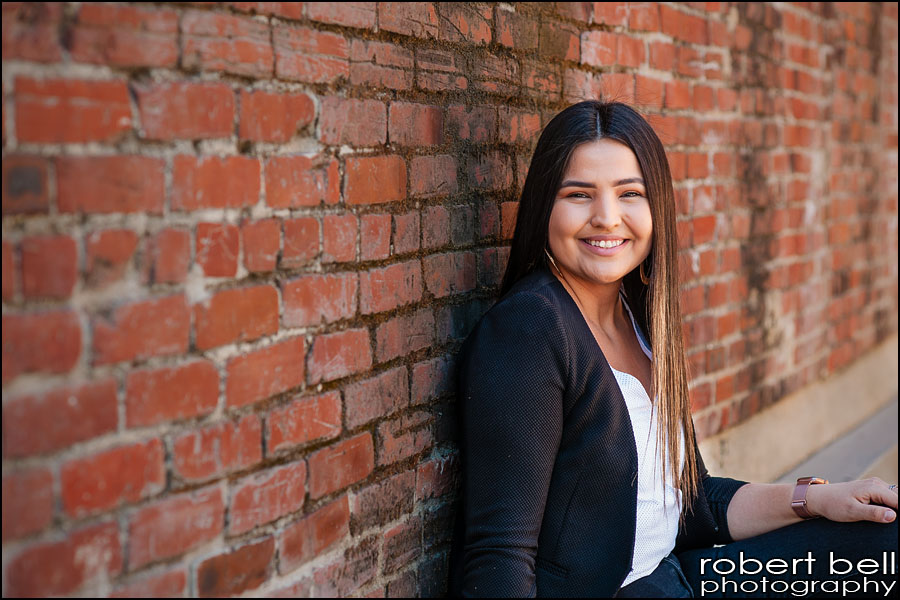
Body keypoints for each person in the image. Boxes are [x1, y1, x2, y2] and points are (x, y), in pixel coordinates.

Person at [446, 100, 898, 597]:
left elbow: (693, 503)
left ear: (656, 207)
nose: (606, 218)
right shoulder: (529, 330)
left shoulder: (637, 316)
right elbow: (500, 555)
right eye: (578, 194)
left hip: (678, 577)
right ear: (544, 207)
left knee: (886, 541)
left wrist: (817, 499)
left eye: (629, 194)